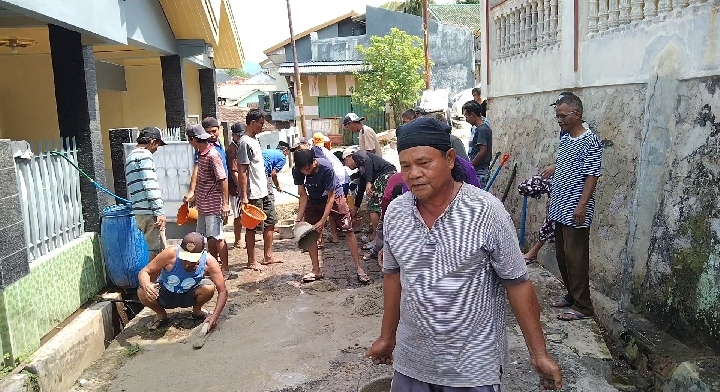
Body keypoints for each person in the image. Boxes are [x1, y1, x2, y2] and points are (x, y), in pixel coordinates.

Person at [365, 117, 563, 391]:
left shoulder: (486, 211)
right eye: (406, 166)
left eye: (424, 163)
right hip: (412, 361)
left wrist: (539, 354)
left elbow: (517, 283)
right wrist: (387, 337)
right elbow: (393, 276)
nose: (413, 174)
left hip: (472, 367)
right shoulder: (397, 212)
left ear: (449, 159)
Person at [547, 93, 603, 321]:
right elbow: (568, 161)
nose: (559, 120)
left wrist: (582, 206)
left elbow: (592, 176)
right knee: (562, 255)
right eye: (557, 116)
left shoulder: (591, 141)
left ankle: (584, 306)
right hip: (560, 203)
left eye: (563, 116)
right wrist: (554, 166)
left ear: (577, 114)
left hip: (576, 207)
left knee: (576, 257)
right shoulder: (566, 136)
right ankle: (571, 295)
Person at [292, 149, 370, 284]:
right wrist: (299, 219)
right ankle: (316, 270)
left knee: (348, 230)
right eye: (302, 170)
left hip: (335, 196)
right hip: (314, 199)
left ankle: (359, 268)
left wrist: (323, 221)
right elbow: (303, 196)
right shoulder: (297, 170)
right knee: (310, 234)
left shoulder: (325, 168)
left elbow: (331, 197)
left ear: (314, 162)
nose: (305, 172)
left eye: (308, 168)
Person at [137, 232, 228, 331]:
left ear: (202, 254)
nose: (188, 263)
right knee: (142, 291)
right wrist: (146, 285)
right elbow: (144, 271)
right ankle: (161, 314)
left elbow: (223, 291)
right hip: (166, 293)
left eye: (193, 260)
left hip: (189, 294)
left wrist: (214, 316)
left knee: (209, 288)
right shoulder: (170, 253)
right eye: (185, 259)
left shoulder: (209, 262)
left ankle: (197, 310)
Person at [185, 124, 231, 278]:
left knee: (217, 237)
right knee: (205, 238)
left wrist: (225, 204)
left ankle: (225, 269)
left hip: (214, 204)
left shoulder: (212, 155)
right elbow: (203, 180)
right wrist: (195, 196)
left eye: (189, 141)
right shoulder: (201, 154)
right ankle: (213, 265)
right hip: (203, 205)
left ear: (193, 139)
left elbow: (222, 179)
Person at [238, 109, 282, 270]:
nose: (262, 127)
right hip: (253, 193)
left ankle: (268, 256)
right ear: (252, 122)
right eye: (261, 124)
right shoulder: (244, 142)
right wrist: (244, 195)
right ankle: (251, 260)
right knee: (252, 227)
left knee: (271, 222)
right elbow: (242, 170)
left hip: (264, 190)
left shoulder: (254, 140)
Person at [125, 127, 167, 267]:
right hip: (150, 212)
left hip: (140, 212)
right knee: (160, 254)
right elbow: (149, 185)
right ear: (153, 142)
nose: (157, 149)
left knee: (155, 252)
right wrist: (159, 211)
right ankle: (147, 285)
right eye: (158, 145)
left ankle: (151, 284)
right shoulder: (145, 155)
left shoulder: (130, 157)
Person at [342, 149, 397, 250]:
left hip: (386, 175)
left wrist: (369, 182)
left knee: (373, 205)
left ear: (349, 157)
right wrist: (355, 209)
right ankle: (378, 236)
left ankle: (377, 239)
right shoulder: (363, 170)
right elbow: (361, 190)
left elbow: (367, 160)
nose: (348, 167)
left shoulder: (358, 154)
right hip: (387, 176)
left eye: (346, 163)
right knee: (377, 206)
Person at [464, 100, 493, 187]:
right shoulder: (480, 129)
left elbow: (483, 151)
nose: (466, 120)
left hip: (480, 171)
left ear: (473, 115)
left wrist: (470, 166)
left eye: (467, 117)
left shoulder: (482, 130)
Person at [226, 122, 246, 249]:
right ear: (234, 136)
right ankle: (238, 239)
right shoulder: (233, 149)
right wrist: (242, 189)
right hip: (236, 188)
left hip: (242, 187)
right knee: (238, 214)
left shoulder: (240, 147)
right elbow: (234, 172)